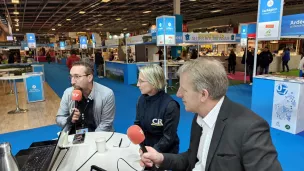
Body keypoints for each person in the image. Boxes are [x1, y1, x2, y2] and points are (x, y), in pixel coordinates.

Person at [140, 58, 282, 171]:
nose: (178, 94)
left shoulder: (250, 129)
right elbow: (193, 159)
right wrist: (160, 158)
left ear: (203, 94)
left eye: (184, 89)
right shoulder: (199, 117)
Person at [56, 61, 115, 133]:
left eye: (77, 76)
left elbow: (106, 124)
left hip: (97, 135)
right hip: (73, 135)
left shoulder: (106, 94)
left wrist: (90, 140)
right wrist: (69, 119)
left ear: (89, 77)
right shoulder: (68, 93)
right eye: (71, 76)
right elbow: (59, 118)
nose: (72, 82)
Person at [135, 64, 180, 156]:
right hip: (145, 148)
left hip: (164, 153)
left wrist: (152, 152)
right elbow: (138, 124)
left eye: (141, 81)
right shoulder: (141, 99)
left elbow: (168, 137)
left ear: (154, 82)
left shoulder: (170, 106)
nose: (137, 84)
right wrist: (141, 147)